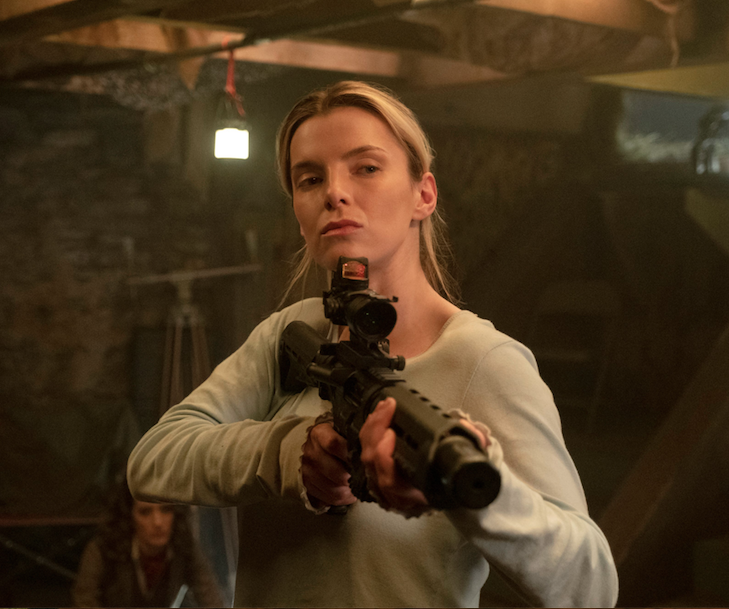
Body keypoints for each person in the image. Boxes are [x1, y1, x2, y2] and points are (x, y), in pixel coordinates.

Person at [127, 80, 619, 607]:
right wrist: (289, 454)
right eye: (310, 178)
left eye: (365, 167)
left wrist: (478, 496)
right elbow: (153, 459)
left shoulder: (484, 361)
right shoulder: (291, 333)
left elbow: (592, 586)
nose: (334, 192)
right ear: (298, 213)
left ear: (423, 195)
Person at [72, 477, 225, 607]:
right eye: (145, 512)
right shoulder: (101, 549)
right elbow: (83, 602)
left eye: (166, 510)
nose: (158, 522)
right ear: (129, 516)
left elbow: (211, 599)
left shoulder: (184, 547)